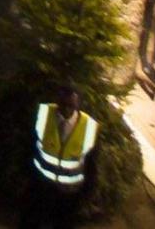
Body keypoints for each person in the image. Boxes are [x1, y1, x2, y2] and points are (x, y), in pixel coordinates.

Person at [24, 85, 101, 228]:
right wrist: (29, 177)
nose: (66, 109)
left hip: (69, 196)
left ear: (78, 105)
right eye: (63, 104)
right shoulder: (43, 114)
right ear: (57, 101)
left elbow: (92, 166)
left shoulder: (89, 127)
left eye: (71, 105)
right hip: (41, 188)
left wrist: (86, 195)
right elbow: (29, 147)